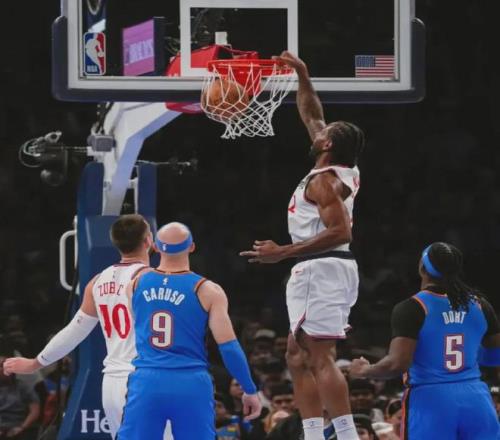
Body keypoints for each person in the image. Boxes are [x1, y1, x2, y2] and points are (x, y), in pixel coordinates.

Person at [240, 51, 364, 440]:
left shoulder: (325, 182)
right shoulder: (335, 166)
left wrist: (282, 252)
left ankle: (345, 435)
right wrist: (303, 75)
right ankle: (312, 433)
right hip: (321, 268)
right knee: (295, 355)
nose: (318, 127)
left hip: (322, 266)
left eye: (326, 130)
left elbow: (341, 232)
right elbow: (312, 114)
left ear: (327, 143)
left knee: (320, 356)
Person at [3, 214, 156, 439]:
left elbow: (74, 331)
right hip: (143, 379)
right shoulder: (153, 280)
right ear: (148, 241)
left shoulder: (98, 282)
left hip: (113, 383)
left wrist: (36, 362)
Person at [117, 222, 261, 440]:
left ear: (156, 247)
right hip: (190, 382)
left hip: (147, 380)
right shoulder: (207, 290)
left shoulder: (135, 285)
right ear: (192, 247)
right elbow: (229, 347)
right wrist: (249, 389)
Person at [350, 242, 500, 439]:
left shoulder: (413, 307)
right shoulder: (480, 304)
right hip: (476, 398)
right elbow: (495, 357)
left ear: (422, 267)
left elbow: (397, 364)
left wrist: (364, 370)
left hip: (431, 399)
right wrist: (468, 356)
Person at [0, 355, 40, 440]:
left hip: (18, 427)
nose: (3, 368)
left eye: (4, 365)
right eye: (1, 366)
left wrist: (22, 427)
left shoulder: (23, 387)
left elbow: (35, 411)